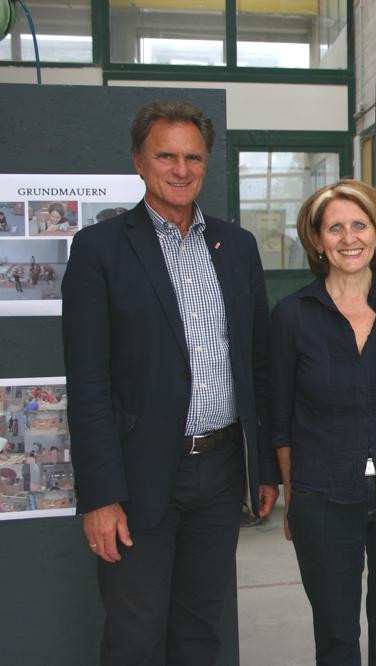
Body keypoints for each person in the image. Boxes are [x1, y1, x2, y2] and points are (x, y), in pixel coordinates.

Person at [62, 100, 279, 665]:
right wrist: (101, 495)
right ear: (139, 162)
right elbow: (87, 385)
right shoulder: (99, 250)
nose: (181, 169)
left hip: (222, 469)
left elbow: (255, 365)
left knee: (201, 631)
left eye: (193, 157)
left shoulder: (237, 247)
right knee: (135, 636)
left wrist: (261, 467)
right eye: (166, 156)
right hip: (140, 476)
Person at [270, 179, 376, 666]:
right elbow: (280, 416)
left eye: (360, 225)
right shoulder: (292, 315)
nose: (349, 238)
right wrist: (292, 496)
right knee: (336, 638)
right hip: (322, 497)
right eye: (335, 228)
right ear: (317, 240)